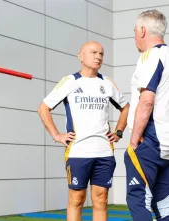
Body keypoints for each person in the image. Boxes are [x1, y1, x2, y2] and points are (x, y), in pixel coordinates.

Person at [38, 41, 129, 221]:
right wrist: (57, 135)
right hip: (78, 151)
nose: (98, 57)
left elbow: (126, 108)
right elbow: (43, 108)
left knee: (101, 199)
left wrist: (119, 132)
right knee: (77, 199)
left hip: (104, 152)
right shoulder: (70, 82)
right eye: (93, 52)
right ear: (81, 56)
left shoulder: (107, 83)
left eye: (101, 54)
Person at [125, 9, 169, 221]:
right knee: (164, 205)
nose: (135, 35)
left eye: (134, 31)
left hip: (151, 142)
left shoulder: (152, 56)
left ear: (142, 30)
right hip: (167, 146)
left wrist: (134, 142)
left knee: (138, 199)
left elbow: (147, 100)